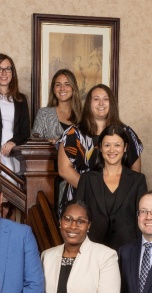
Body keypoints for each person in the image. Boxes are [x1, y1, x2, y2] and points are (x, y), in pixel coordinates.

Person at [58, 84, 143, 213]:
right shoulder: (73, 133)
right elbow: (64, 170)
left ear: (112, 103)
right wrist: (93, 193)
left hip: (119, 202)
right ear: (89, 104)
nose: (101, 103)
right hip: (81, 200)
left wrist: (114, 195)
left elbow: (135, 171)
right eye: (96, 99)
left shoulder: (126, 133)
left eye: (106, 99)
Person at [75, 125, 147, 250]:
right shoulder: (87, 179)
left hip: (128, 250)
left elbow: (141, 217)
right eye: (107, 145)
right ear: (100, 148)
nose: (112, 150)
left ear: (125, 148)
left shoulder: (138, 180)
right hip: (93, 249)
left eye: (117, 145)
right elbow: (79, 216)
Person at [32, 68, 82, 143]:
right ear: (54, 89)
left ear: (73, 88)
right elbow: (34, 142)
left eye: (67, 84)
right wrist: (47, 142)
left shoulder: (83, 115)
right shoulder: (44, 114)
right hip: (49, 155)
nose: (62, 88)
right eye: (58, 85)